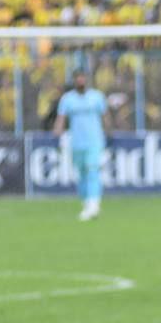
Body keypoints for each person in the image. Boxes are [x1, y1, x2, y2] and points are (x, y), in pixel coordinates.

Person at [54, 71, 109, 222]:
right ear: (74, 81)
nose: (81, 81)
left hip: (95, 141)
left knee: (92, 169)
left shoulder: (97, 97)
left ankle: (94, 204)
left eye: (83, 78)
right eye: (78, 79)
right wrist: (57, 135)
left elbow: (105, 116)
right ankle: (86, 203)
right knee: (82, 172)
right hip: (77, 143)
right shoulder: (67, 99)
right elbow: (61, 119)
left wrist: (109, 133)